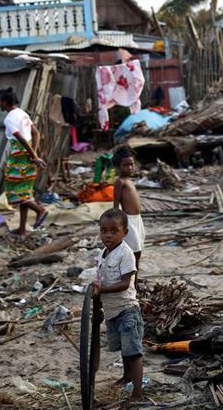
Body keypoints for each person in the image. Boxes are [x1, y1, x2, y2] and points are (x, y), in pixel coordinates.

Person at [92, 208, 144, 400]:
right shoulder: (102, 254)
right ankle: (126, 376)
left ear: (125, 233)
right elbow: (100, 281)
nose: (108, 235)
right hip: (112, 311)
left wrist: (101, 290)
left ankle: (138, 392)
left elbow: (124, 283)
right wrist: (97, 303)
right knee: (124, 348)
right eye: (104, 230)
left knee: (133, 352)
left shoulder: (126, 253)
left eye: (114, 231)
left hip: (127, 310)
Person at [0, 88, 48, 235]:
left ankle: (40, 210)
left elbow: (21, 139)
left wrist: (34, 155)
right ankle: (22, 228)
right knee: (24, 192)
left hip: (19, 156)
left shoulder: (9, 119)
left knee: (13, 191)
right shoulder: (22, 113)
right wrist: (34, 155)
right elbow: (36, 133)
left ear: (5, 102)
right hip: (28, 156)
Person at [112, 147, 145, 269]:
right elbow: (116, 204)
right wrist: (117, 222)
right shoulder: (120, 182)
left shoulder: (129, 181)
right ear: (118, 166)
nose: (130, 167)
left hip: (137, 219)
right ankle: (131, 278)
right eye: (125, 165)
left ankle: (134, 278)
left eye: (131, 164)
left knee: (139, 248)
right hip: (128, 220)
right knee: (134, 251)